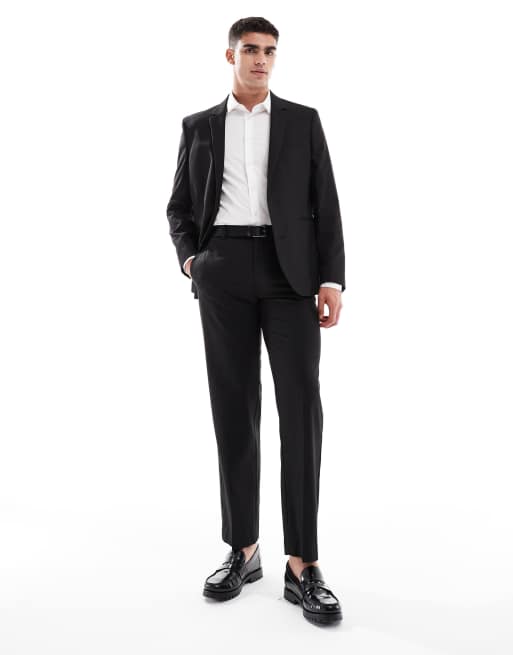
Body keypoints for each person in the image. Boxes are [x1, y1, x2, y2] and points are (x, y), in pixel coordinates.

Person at [166, 16, 345, 625]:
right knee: (233, 409)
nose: (261, 59)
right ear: (231, 56)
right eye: (250, 49)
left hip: (289, 275)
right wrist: (193, 260)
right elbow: (179, 206)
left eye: (269, 50)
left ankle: (303, 564)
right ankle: (242, 549)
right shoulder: (199, 126)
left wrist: (331, 279)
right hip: (223, 272)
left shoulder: (302, 121)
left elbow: (326, 202)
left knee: (301, 412)